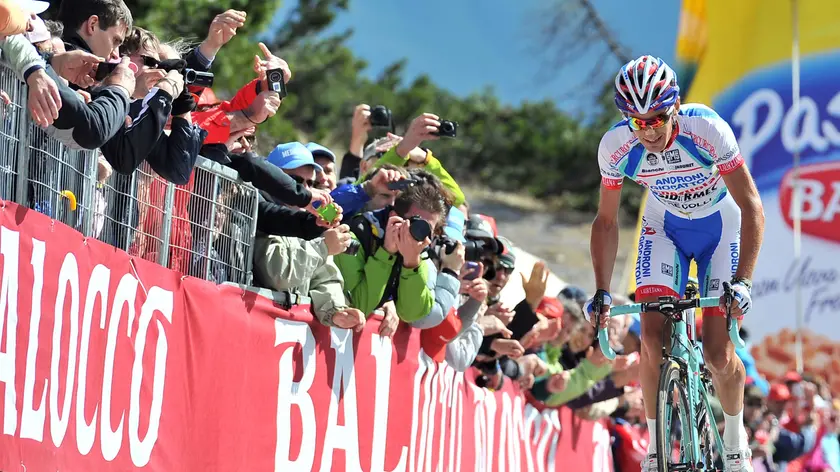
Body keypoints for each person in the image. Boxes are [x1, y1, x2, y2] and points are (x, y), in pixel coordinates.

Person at [588, 55, 765, 471]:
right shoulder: (615, 148)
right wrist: (599, 290)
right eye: (636, 121)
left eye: (656, 119)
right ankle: (655, 448)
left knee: (719, 353)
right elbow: (607, 221)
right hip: (663, 226)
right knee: (651, 338)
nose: (647, 130)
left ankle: (735, 437)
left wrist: (744, 283)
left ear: (676, 106)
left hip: (718, 228)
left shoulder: (707, 129)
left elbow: (752, 207)